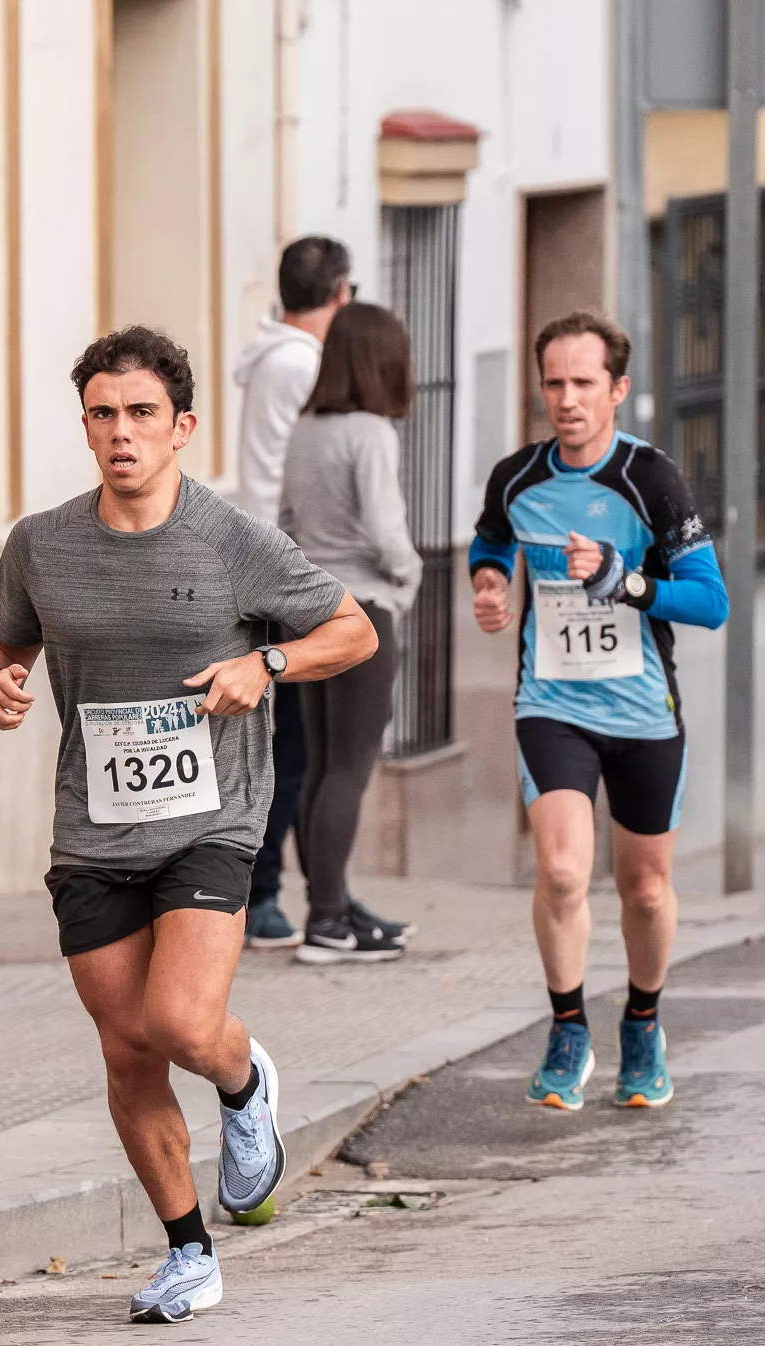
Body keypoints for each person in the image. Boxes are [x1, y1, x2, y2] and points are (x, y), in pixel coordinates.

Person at [0, 326, 376, 1323]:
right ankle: (188, 1251)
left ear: (183, 427)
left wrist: (266, 665)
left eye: (142, 413)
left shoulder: (231, 540)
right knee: (126, 1049)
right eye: (103, 414)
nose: (122, 432)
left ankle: (243, 1081)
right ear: (85, 427)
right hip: (95, 830)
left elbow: (353, 628)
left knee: (181, 1023)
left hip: (212, 822)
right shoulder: (42, 544)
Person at [467, 312, 728, 1111]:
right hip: (553, 705)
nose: (568, 399)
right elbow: (489, 541)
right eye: (554, 383)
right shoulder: (517, 477)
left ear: (617, 389)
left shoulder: (651, 480)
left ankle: (643, 1021)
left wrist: (627, 579)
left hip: (645, 711)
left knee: (645, 889)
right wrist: (488, 583)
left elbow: (712, 602)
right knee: (563, 870)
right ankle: (568, 1023)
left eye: (585, 383)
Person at [277, 301, 422, 962]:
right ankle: (329, 920)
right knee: (349, 768)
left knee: (318, 765)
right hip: (363, 609)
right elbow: (387, 531)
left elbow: (285, 517)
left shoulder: (305, 428)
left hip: (311, 609)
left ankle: (331, 906)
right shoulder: (371, 433)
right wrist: (407, 577)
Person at [231, 234, 347, 950]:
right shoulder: (304, 364)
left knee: (287, 744)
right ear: (339, 295)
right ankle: (264, 892)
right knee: (293, 749)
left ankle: (267, 889)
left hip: (261, 553)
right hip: (282, 565)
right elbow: (291, 476)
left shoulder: (269, 356)